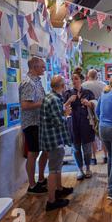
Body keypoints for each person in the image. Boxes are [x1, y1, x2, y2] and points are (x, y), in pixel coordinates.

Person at [39, 75, 74, 211]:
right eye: (65, 83)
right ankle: (51, 201)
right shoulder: (54, 99)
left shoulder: (50, 96)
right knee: (53, 169)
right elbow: (57, 121)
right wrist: (65, 114)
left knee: (57, 166)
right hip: (54, 139)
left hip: (51, 137)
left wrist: (64, 110)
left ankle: (59, 189)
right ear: (62, 86)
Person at [19, 57, 48, 195]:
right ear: (35, 67)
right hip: (31, 124)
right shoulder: (28, 83)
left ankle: (41, 178)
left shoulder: (37, 82)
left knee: (45, 150)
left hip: (39, 122)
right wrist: (42, 103)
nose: (45, 69)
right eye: (42, 67)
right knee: (33, 153)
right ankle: (31, 185)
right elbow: (25, 105)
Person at [64, 71, 96, 181]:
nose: (74, 81)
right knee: (76, 149)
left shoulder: (88, 92)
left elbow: (95, 105)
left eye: (76, 78)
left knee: (87, 149)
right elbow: (62, 109)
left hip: (86, 124)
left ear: (81, 80)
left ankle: (88, 168)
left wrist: (89, 103)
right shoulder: (67, 93)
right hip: (72, 124)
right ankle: (79, 169)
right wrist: (68, 101)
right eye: (72, 79)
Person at [83, 69, 109, 164]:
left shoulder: (83, 85)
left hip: (88, 113)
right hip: (101, 112)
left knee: (91, 137)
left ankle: (93, 158)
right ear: (97, 76)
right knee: (102, 136)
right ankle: (105, 156)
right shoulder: (104, 85)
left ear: (88, 76)